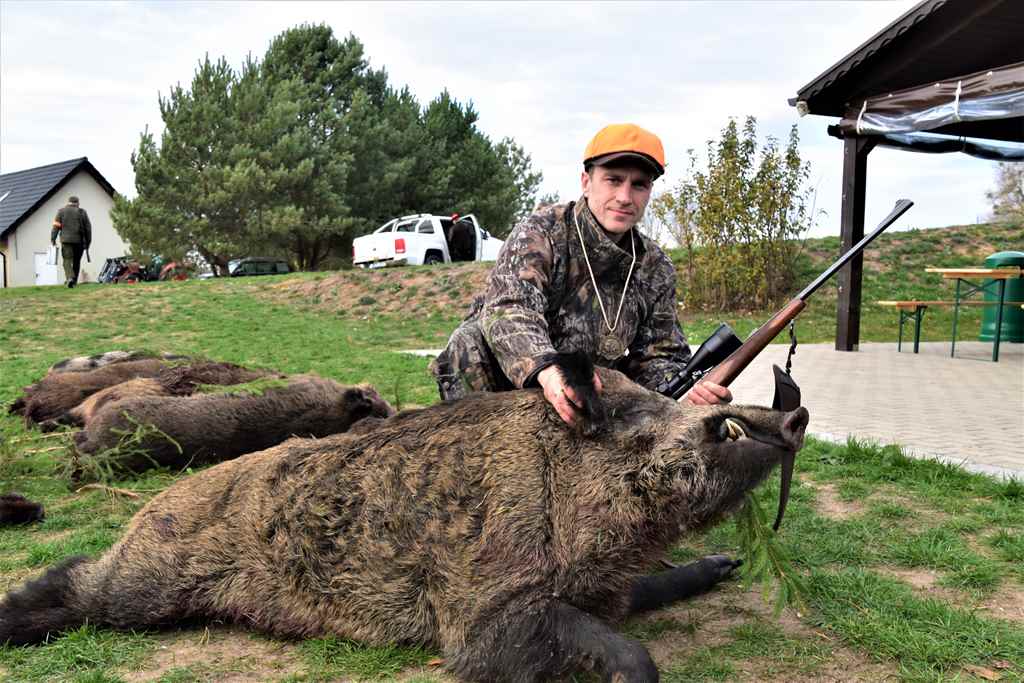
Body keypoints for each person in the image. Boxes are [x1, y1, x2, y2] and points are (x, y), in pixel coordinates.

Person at [430, 123, 732, 426]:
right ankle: (473, 444)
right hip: (514, 385)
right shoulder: (540, 232)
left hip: (589, 392)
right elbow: (510, 310)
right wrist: (547, 370)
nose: (625, 197)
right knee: (467, 342)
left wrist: (688, 390)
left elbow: (659, 355)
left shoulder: (654, 266)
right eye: (613, 180)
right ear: (586, 182)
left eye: (639, 184)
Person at [51, 195, 92, 288]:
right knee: (77, 261)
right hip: (79, 241)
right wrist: (88, 243)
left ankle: (70, 278)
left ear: (68, 202)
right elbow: (88, 229)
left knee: (67, 260)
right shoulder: (82, 212)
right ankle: (74, 281)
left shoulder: (61, 212)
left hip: (66, 241)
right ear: (77, 203)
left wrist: (53, 239)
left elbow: (55, 227)